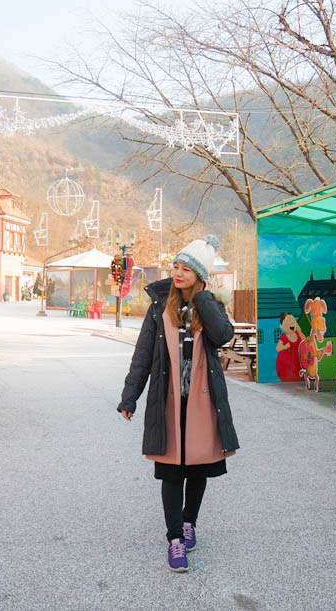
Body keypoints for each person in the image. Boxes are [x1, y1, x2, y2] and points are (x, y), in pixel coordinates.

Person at [117, 235, 239, 573]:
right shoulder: (160, 307)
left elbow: (222, 335)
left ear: (200, 275)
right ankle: (174, 539)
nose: (179, 272)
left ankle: (189, 523)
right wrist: (130, 398)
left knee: (198, 468)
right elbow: (143, 355)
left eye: (187, 268)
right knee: (171, 472)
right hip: (168, 403)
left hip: (201, 404)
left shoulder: (208, 304)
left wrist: (202, 299)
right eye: (177, 266)